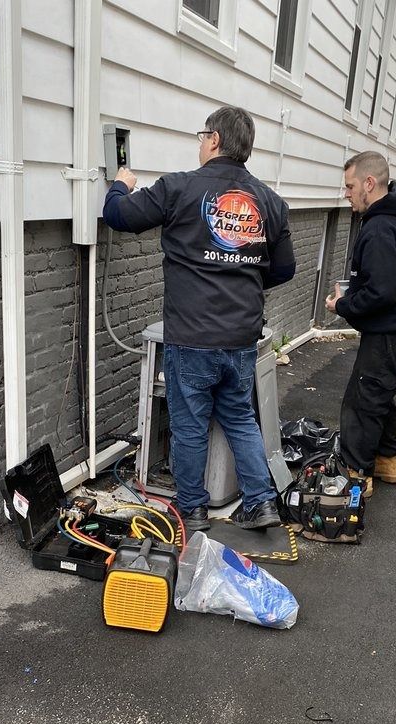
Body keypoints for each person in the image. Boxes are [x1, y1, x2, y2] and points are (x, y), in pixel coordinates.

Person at [102, 106, 296, 532]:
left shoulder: (179, 189)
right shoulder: (270, 202)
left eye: (201, 136)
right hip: (241, 336)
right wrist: (240, 275)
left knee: (189, 424)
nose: (199, 143)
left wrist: (119, 186)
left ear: (213, 140)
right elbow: (284, 270)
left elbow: (120, 216)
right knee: (239, 416)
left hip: (192, 337)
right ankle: (262, 502)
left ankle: (193, 510)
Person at [325, 151, 396, 496]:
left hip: (390, 329)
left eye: (350, 186)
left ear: (369, 183)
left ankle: (357, 474)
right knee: (381, 391)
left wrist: (342, 305)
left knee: (363, 399)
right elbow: (387, 281)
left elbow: (382, 292)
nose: (347, 193)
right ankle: (387, 461)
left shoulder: (381, 227)